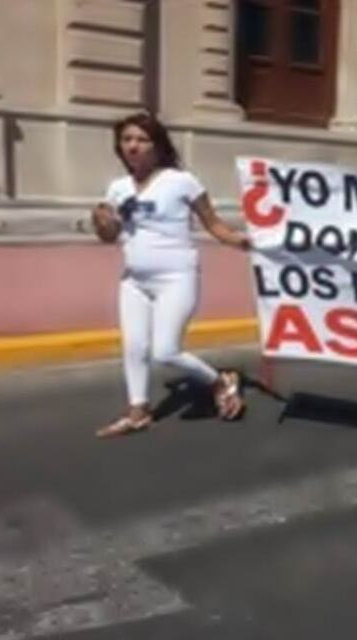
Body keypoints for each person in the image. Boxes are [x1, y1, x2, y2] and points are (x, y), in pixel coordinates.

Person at [91, 112, 251, 438]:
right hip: (134, 280)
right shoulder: (117, 188)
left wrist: (244, 242)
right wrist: (101, 221)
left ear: (157, 145)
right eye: (126, 140)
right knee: (134, 347)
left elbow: (214, 224)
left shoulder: (181, 181)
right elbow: (108, 236)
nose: (133, 146)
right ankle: (138, 411)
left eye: (141, 139)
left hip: (176, 276)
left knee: (165, 350)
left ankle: (221, 382)